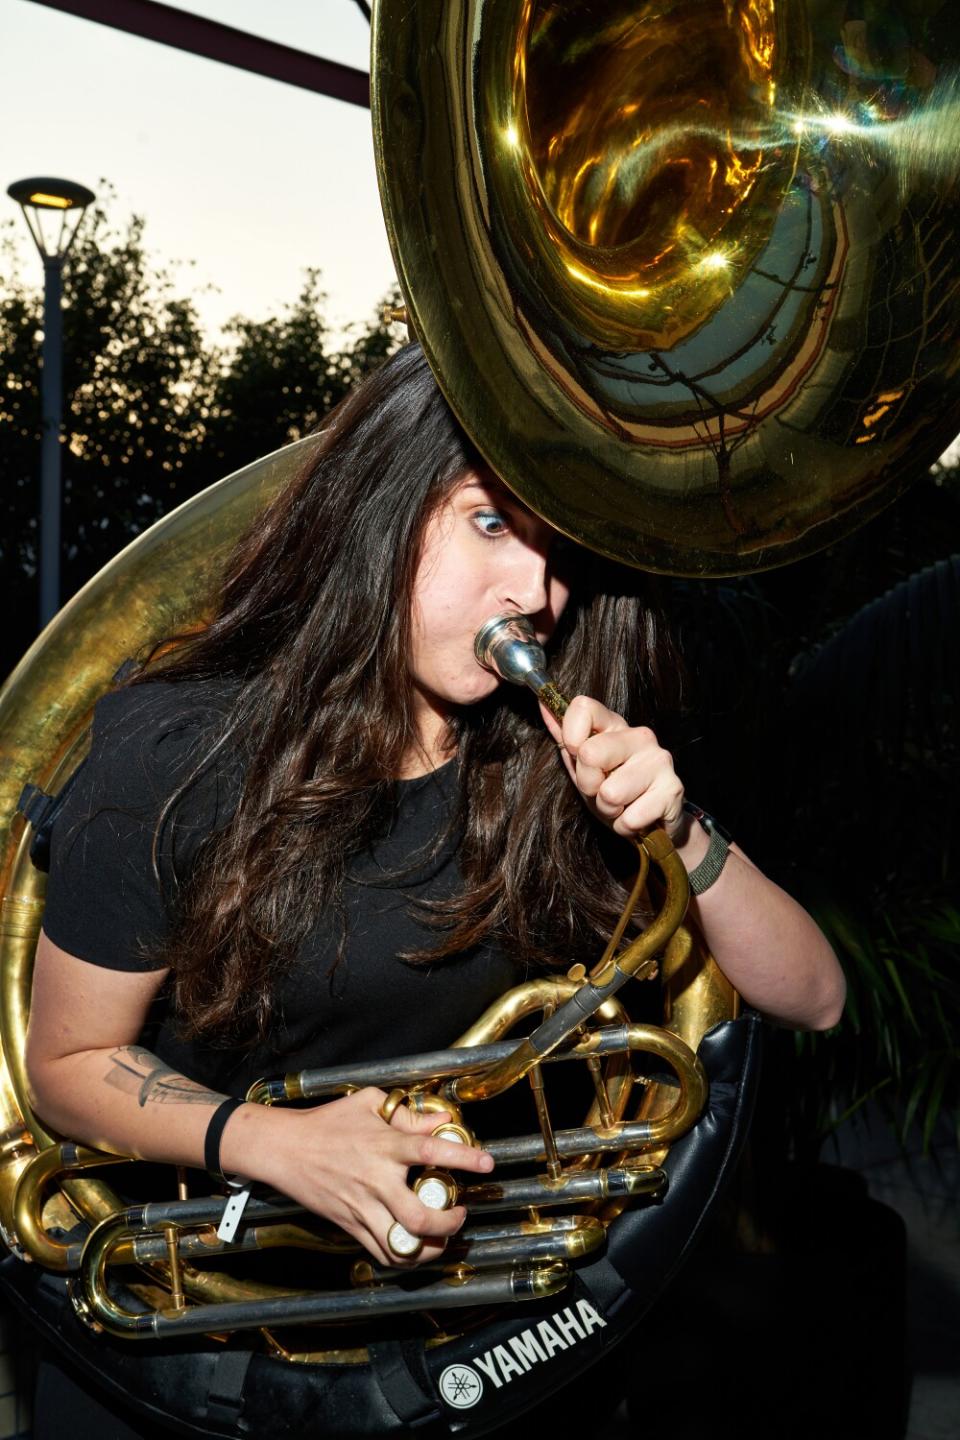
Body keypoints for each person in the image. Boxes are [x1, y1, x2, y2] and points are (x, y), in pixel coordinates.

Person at [24, 342, 845, 1432]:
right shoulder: (174, 756)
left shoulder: (544, 764)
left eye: (562, 554)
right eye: (491, 523)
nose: (537, 592)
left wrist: (676, 824)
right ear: (382, 508)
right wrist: (279, 1144)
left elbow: (816, 997)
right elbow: (67, 1064)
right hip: (187, 1353)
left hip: (458, 1354)